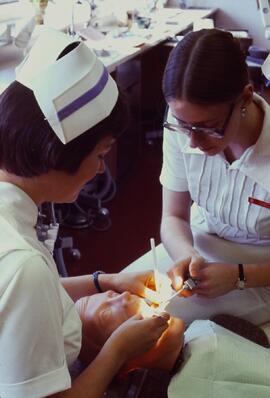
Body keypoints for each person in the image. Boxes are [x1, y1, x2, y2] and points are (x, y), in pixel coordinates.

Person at [0, 29, 170, 398]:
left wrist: (105, 281)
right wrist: (117, 350)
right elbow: (24, 285)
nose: (98, 170)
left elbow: (18, 299)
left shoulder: (19, 252)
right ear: (57, 154)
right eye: (99, 154)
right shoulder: (21, 263)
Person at [150, 27, 270, 325]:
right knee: (122, 298)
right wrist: (185, 256)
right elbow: (174, 217)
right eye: (183, 125)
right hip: (202, 246)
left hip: (261, 269)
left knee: (160, 321)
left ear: (245, 98)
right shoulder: (184, 122)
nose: (192, 142)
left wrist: (240, 276)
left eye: (209, 127)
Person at [75, 291, 270, 398]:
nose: (124, 296)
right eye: (107, 314)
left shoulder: (226, 326)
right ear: (121, 365)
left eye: (111, 294)